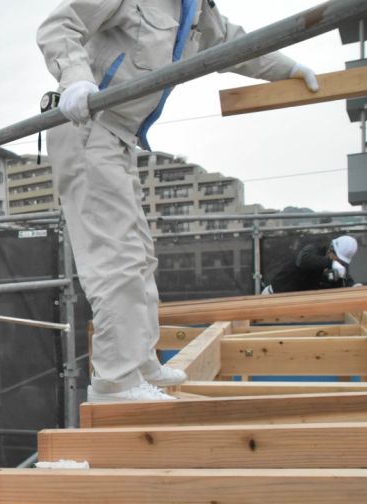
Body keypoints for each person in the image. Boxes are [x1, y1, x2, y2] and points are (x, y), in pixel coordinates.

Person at [36, 1, 320, 402]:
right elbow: (60, 25)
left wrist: (288, 68)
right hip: (87, 126)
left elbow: (238, 46)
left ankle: (138, 360)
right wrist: (76, 78)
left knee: (138, 254)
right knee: (114, 255)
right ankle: (115, 381)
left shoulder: (196, 11)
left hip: (119, 136)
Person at [263, 234, 358, 294]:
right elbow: (304, 260)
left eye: (342, 261)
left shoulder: (339, 267)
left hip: (302, 303)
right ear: (331, 250)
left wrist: (352, 285)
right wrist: (330, 263)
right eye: (338, 259)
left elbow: (344, 277)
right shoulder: (313, 250)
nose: (339, 263)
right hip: (276, 295)